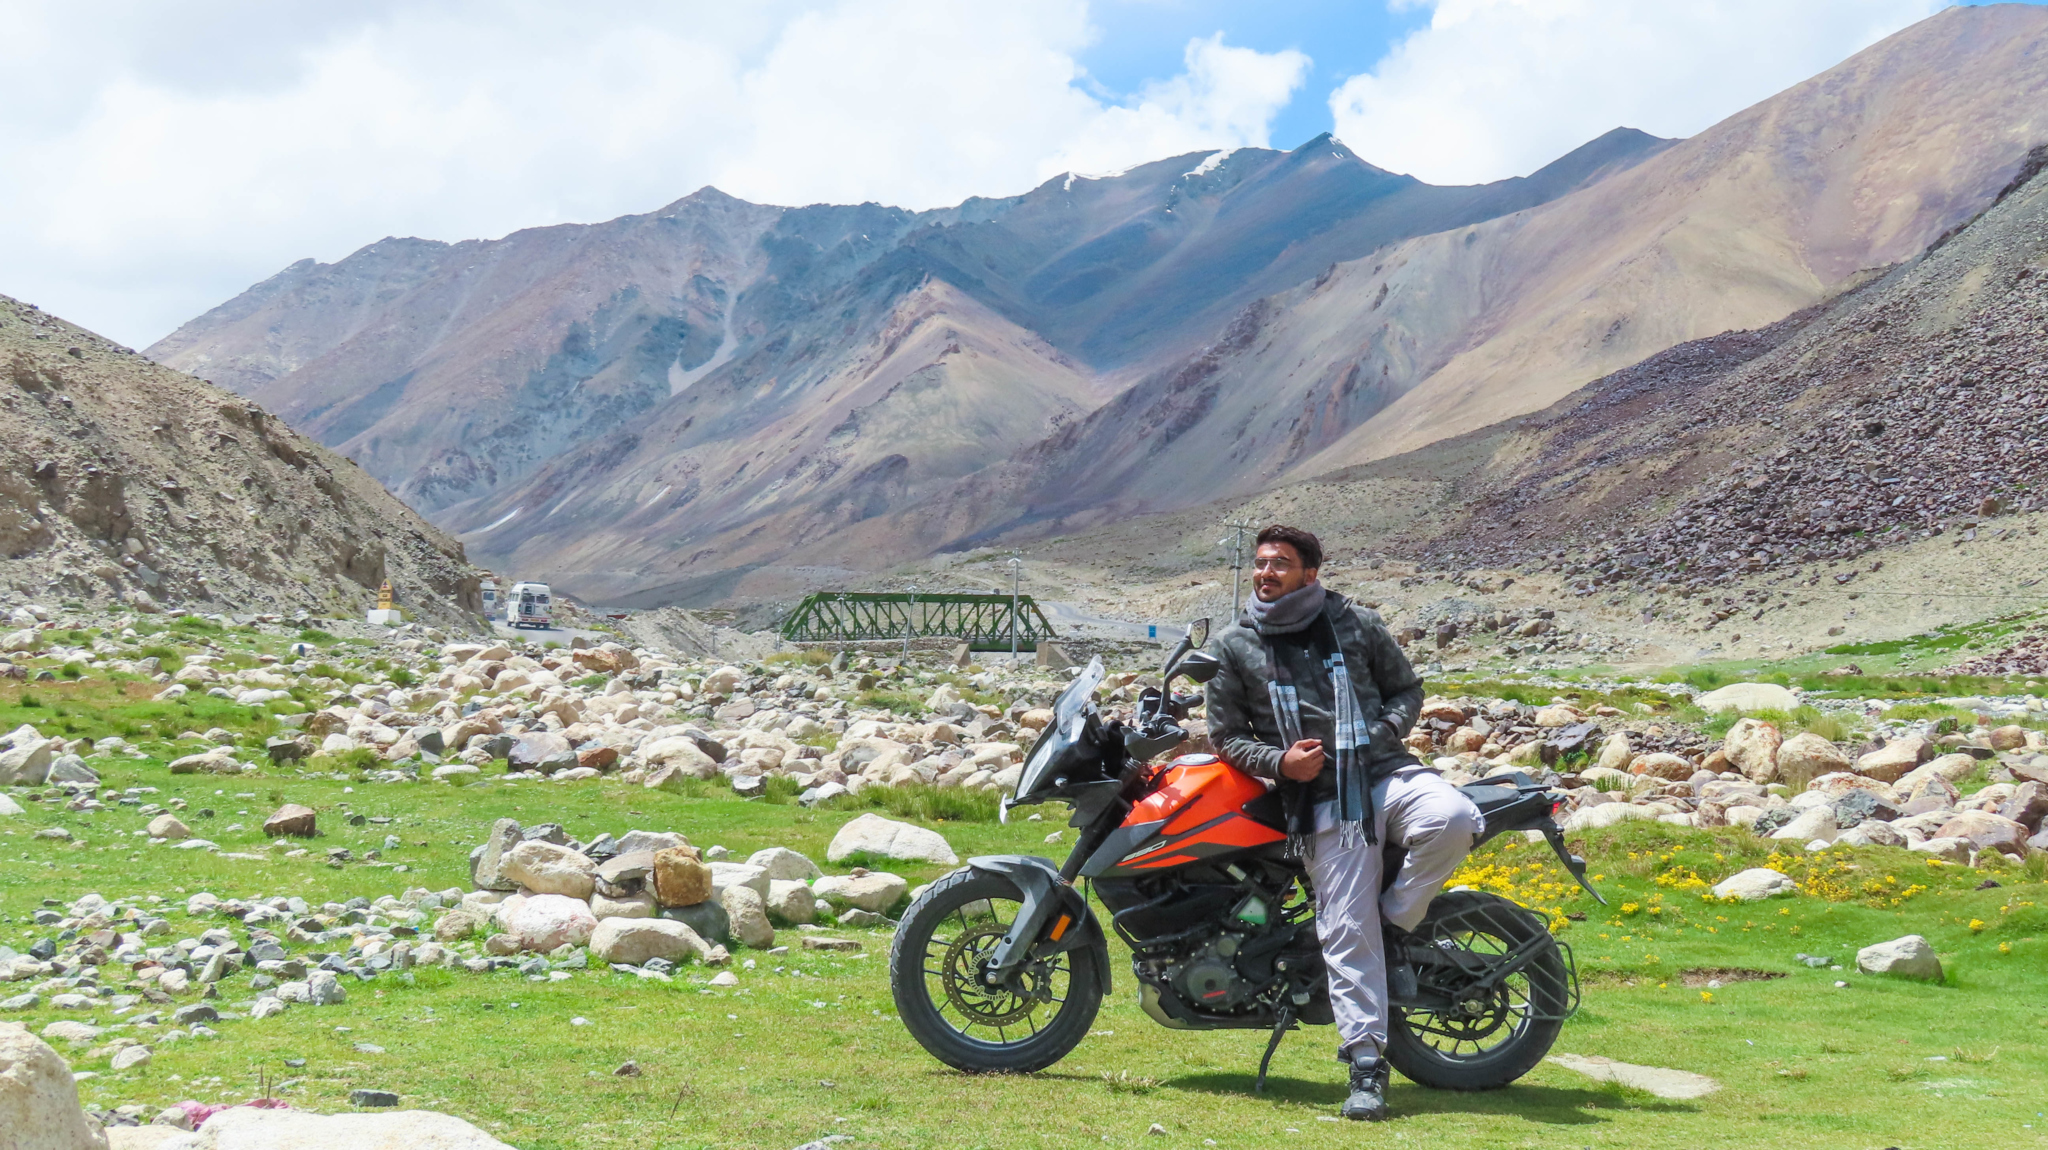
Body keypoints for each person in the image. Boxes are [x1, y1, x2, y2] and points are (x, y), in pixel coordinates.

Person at [1202, 524, 1482, 1122]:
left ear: (1310, 572)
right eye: (1261, 562)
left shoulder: (1356, 623)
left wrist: (1379, 734)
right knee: (1347, 929)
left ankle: (1393, 924)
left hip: (1385, 773)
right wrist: (1279, 763)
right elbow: (1225, 737)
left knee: (1455, 817)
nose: (1266, 572)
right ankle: (1366, 1066)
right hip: (1319, 799)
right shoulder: (1234, 643)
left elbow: (1406, 691)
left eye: (1280, 563)